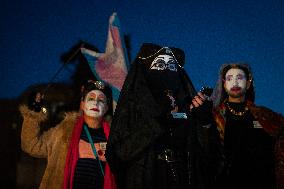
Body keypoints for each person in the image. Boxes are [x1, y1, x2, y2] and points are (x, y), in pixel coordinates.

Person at [105, 43, 214, 189]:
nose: (166, 70)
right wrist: (158, 121)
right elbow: (119, 154)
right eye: (160, 64)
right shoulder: (133, 107)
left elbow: (208, 158)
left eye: (171, 66)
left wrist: (204, 123)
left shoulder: (186, 106)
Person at [192, 63, 284, 189]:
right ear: (224, 84)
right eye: (229, 78)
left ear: (248, 83)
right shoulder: (214, 116)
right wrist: (203, 121)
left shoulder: (267, 117)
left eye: (240, 77)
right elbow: (205, 152)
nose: (234, 82)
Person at [20, 80, 116, 189]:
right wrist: (33, 114)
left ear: (107, 107)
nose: (96, 103)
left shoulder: (115, 137)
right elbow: (32, 145)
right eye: (91, 98)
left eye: (101, 100)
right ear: (82, 104)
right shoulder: (64, 131)